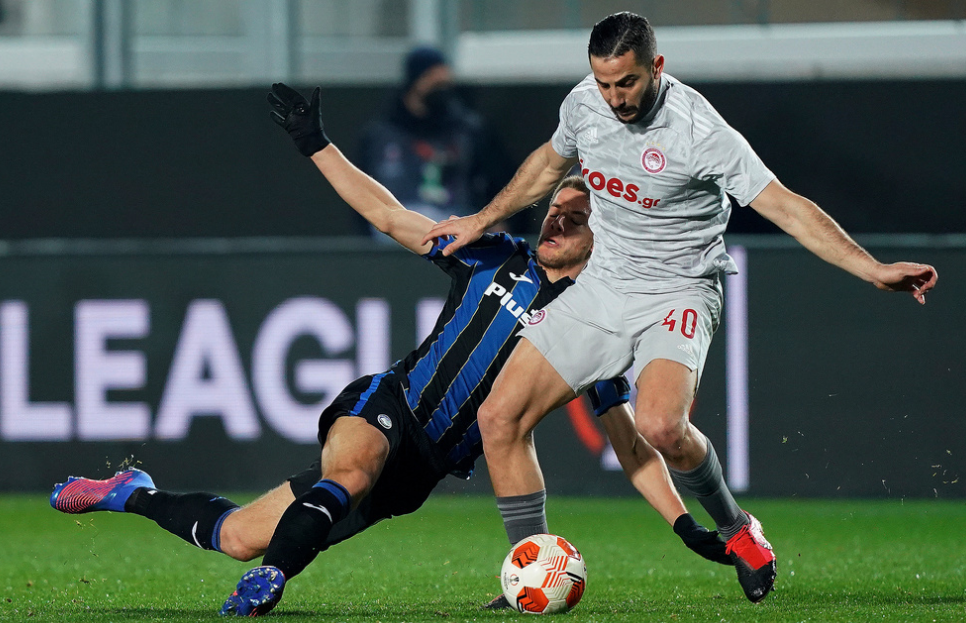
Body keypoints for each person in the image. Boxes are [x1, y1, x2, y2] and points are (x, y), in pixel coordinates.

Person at [49, 82, 733, 617]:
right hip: (391, 404)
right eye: (555, 204)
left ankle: (131, 494)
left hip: (422, 471)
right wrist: (314, 141)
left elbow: (632, 446)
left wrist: (681, 524)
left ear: (602, 237)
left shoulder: (597, 325)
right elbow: (386, 213)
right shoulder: (490, 253)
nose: (558, 216)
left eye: (577, 215)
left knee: (235, 535)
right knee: (343, 476)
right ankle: (274, 578)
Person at [422, 11, 938, 605]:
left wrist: (871, 268)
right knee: (499, 418)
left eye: (628, 83)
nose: (615, 98)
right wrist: (481, 220)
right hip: (604, 287)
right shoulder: (585, 104)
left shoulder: (701, 133)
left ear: (656, 67)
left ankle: (739, 528)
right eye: (604, 83)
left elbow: (787, 207)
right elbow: (547, 163)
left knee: (661, 426)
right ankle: (532, 569)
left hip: (679, 289)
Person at [356, 46, 513, 235]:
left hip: (456, 219)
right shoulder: (381, 135)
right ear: (415, 81)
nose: (441, 90)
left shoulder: (468, 131)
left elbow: (497, 179)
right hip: (398, 227)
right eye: (432, 79)